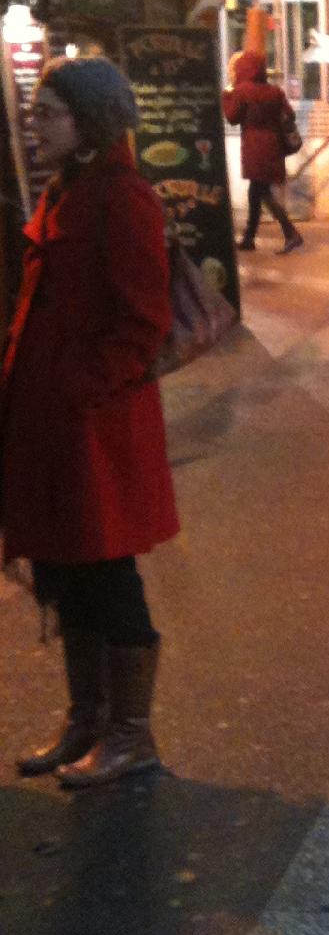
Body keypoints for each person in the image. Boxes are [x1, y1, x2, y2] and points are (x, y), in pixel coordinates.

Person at [4, 58, 178, 787]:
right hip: (47, 420)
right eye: (34, 111)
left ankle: (131, 736)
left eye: (48, 113)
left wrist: (80, 389)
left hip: (94, 426)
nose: (34, 124)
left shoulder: (122, 199)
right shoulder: (64, 191)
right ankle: (87, 720)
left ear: (89, 122)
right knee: (63, 570)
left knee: (106, 573)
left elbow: (143, 322)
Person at [223, 50, 303, 253]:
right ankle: (249, 238)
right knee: (256, 191)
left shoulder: (242, 91)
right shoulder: (275, 91)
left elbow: (232, 117)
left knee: (262, 192)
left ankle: (290, 233)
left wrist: (227, 96)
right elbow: (289, 115)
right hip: (274, 146)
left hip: (255, 147)